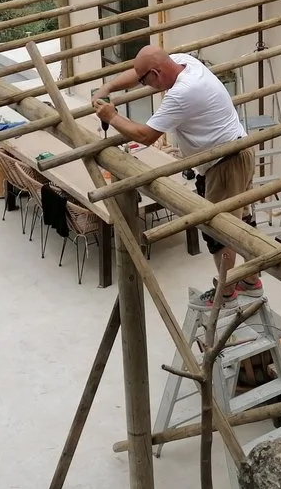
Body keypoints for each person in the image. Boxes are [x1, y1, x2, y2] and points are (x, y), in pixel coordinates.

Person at [90, 45, 259, 306]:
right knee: (243, 221)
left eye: (146, 81)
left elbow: (146, 136)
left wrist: (112, 116)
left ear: (157, 72)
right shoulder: (183, 63)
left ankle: (227, 293)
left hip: (225, 163)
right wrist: (107, 88)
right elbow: (137, 73)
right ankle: (251, 281)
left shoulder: (182, 93)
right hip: (238, 150)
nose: (144, 86)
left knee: (221, 232)